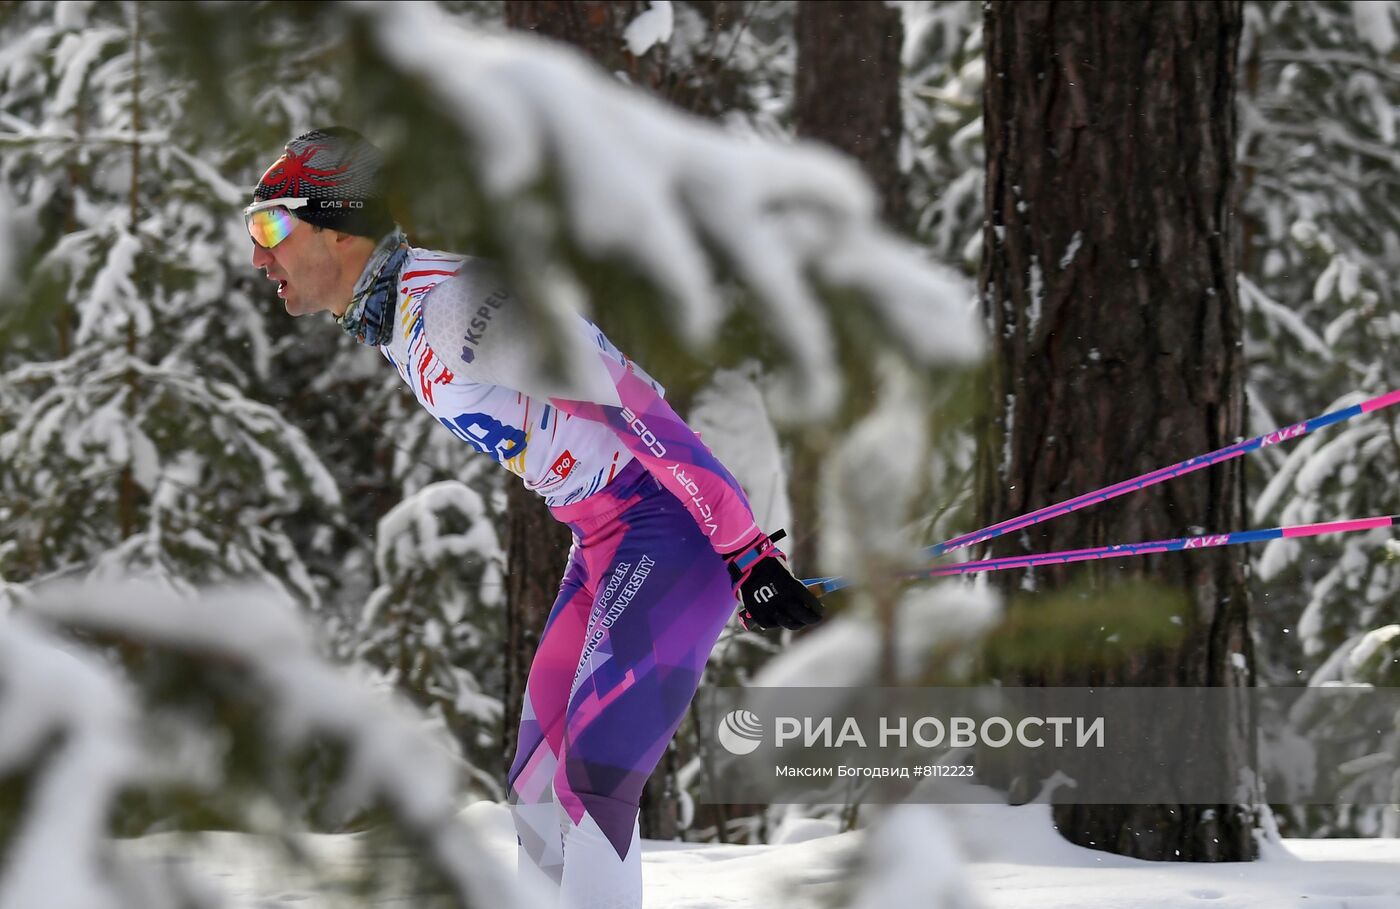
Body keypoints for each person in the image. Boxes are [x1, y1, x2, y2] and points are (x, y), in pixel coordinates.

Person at [243, 127, 822, 908]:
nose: (258, 256)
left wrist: (742, 547)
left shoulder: (454, 308)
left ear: (339, 229)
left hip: (665, 524)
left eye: (271, 229)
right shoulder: (401, 317)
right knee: (539, 784)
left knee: (592, 779)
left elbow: (631, 401)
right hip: (604, 537)